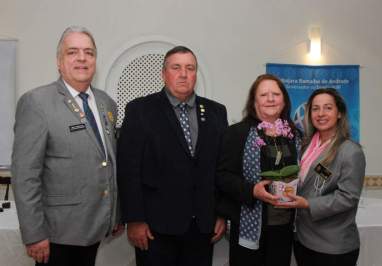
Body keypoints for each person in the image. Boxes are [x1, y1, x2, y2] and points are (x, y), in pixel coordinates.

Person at [11, 26, 123, 266]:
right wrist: (34, 234)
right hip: (56, 234)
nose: (82, 58)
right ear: (59, 61)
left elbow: (108, 162)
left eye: (89, 52)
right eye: (73, 52)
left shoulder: (107, 103)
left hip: (96, 226)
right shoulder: (37, 103)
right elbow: (25, 175)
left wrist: (115, 214)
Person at [117, 46, 228, 266]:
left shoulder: (216, 112)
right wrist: (135, 219)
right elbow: (128, 169)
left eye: (190, 68)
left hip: (202, 227)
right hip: (155, 228)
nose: (184, 74)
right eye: (176, 67)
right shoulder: (140, 110)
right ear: (163, 73)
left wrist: (221, 214)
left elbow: (222, 169)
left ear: (196, 74)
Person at [216, 74, 301, 266]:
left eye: (276, 94)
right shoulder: (237, 133)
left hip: (285, 227)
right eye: (263, 95)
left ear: (284, 100)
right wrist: (251, 190)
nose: (270, 99)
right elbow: (222, 176)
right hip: (249, 225)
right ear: (254, 102)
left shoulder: (294, 135)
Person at [276, 88, 366, 266]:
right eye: (315, 109)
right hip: (303, 240)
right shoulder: (306, 145)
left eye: (328, 108)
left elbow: (348, 198)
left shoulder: (350, 151)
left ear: (339, 113)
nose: (321, 113)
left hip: (333, 247)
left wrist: (308, 203)